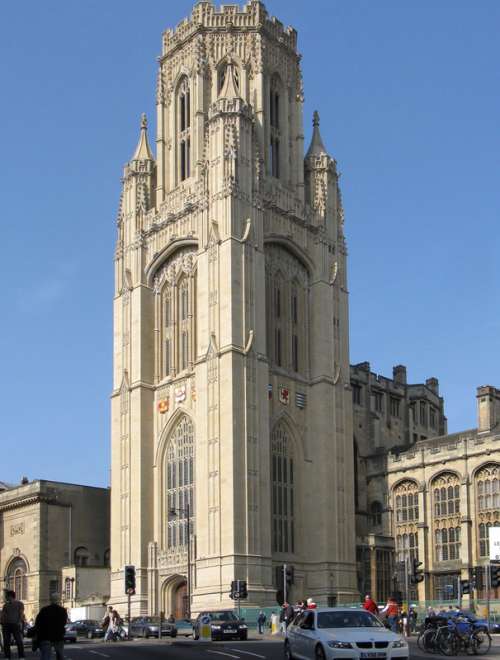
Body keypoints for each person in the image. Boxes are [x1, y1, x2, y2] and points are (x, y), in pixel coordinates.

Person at [34, 593, 68, 660]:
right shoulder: (63, 610)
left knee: (46, 656)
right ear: (58, 600)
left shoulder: (44, 610)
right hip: (58, 636)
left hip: (45, 636)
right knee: (60, 655)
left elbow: (38, 623)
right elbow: (64, 623)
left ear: (50, 600)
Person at [1, 589, 25, 659]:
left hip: (15, 624)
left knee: (18, 641)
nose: (6, 598)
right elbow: (3, 615)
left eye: (7, 596)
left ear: (10, 596)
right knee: (7, 641)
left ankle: (21, 656)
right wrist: (2, 623)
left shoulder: (19, 604)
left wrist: (19, 622)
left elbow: (21, 613)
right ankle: (8, 656)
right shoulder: (6, 605)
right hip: (7, 625)